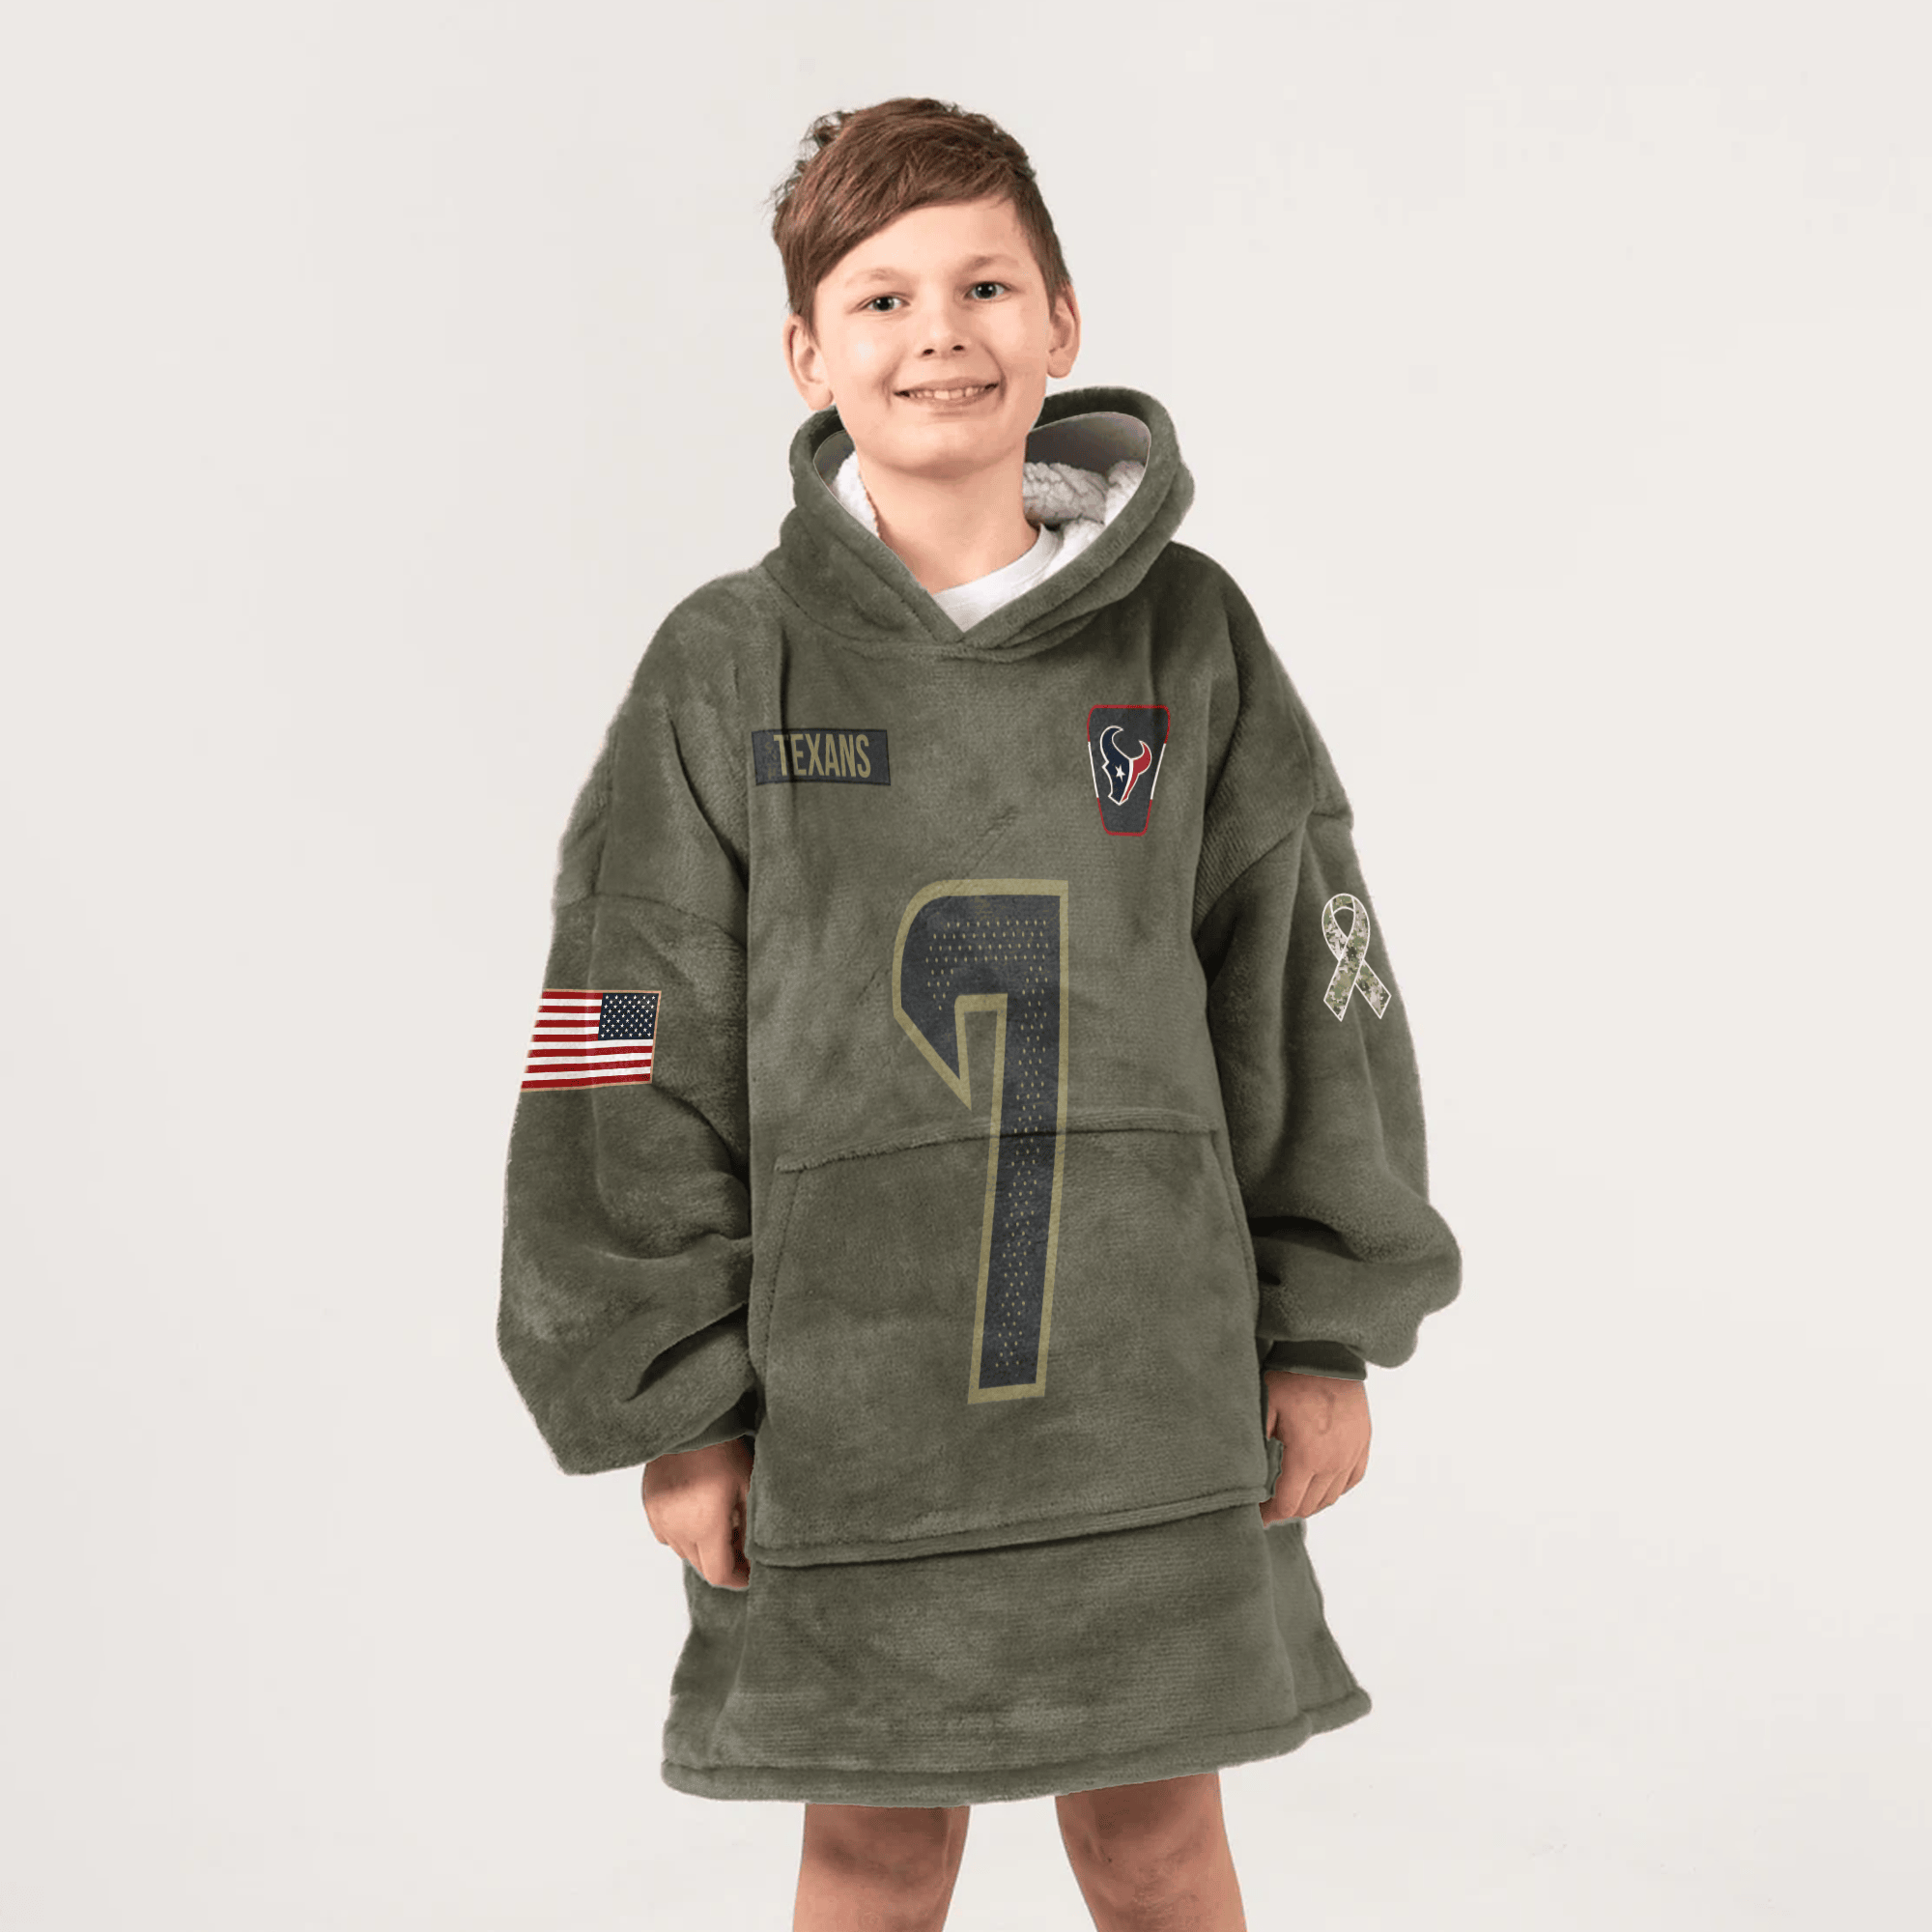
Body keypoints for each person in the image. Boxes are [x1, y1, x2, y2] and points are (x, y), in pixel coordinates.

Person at [497, 95, 1462, 1932]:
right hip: (847, 1420)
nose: (937, 332)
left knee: (1156, 1843)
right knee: (874, 1852)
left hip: (1146, 1401)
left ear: (1063, 322)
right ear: (808, 354)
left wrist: (1329, 1323)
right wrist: (674, 1399)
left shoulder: (1189, 638)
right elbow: (617, 1024)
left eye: (985, 285)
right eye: (881, 299)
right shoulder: (728, 665)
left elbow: (1308, 980)